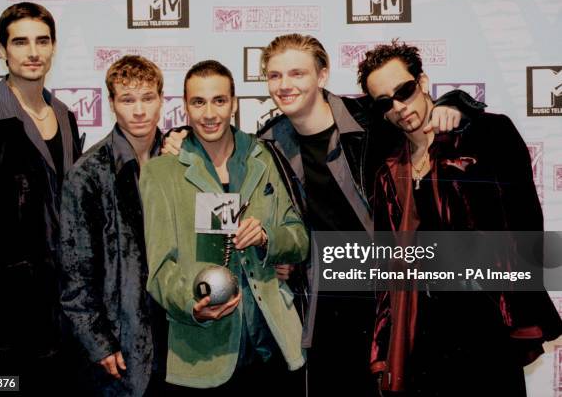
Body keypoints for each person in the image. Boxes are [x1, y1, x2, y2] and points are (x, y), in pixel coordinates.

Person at [162, 33, 477, 396]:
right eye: (275, 75)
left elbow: (417, 111)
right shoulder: (269, 144)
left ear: (322, 75)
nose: (285, 85)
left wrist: (457, 103)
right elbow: (218, 144)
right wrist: (179, 137)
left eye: (297, 73)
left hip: (391, 293)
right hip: (323, 301)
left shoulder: (369, 120)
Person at [358, 40, 562, 396]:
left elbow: (525, 216)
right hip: (421, 327)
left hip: (486, 317)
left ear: (422, 82)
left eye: (404, 90)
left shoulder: (485, 136)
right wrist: (384, 347)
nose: (399, 106)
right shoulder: (389, 167)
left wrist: (465, 111)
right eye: (385, 102)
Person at [139, 60, 308, 394]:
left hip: (273, 344)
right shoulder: (162, 172)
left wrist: (266, 237)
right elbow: (160, 269)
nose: (209, 113)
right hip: (205, 353)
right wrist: (193, 304)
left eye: (219, 101)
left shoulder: (263, 155)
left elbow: (298, 237)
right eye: (198, 102)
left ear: (233, 103)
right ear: (185, 106)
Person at [0, 2, 84, 393]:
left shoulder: (64, 116)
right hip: (1, 323)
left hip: (61, 313)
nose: (33, 52)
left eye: (42, 41)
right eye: (20, 41)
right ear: (2, 50)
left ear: (54, 47)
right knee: (0, 391)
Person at [59, 55, 168, 396]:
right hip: (121, 344)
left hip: (179, 340)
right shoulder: (87, 174)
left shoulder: (181, 161)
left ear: (162, 100)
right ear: (111, 104)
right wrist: (99, 343)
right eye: (128, 100)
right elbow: (74, 273)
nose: (139, 111)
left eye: (148, 98)